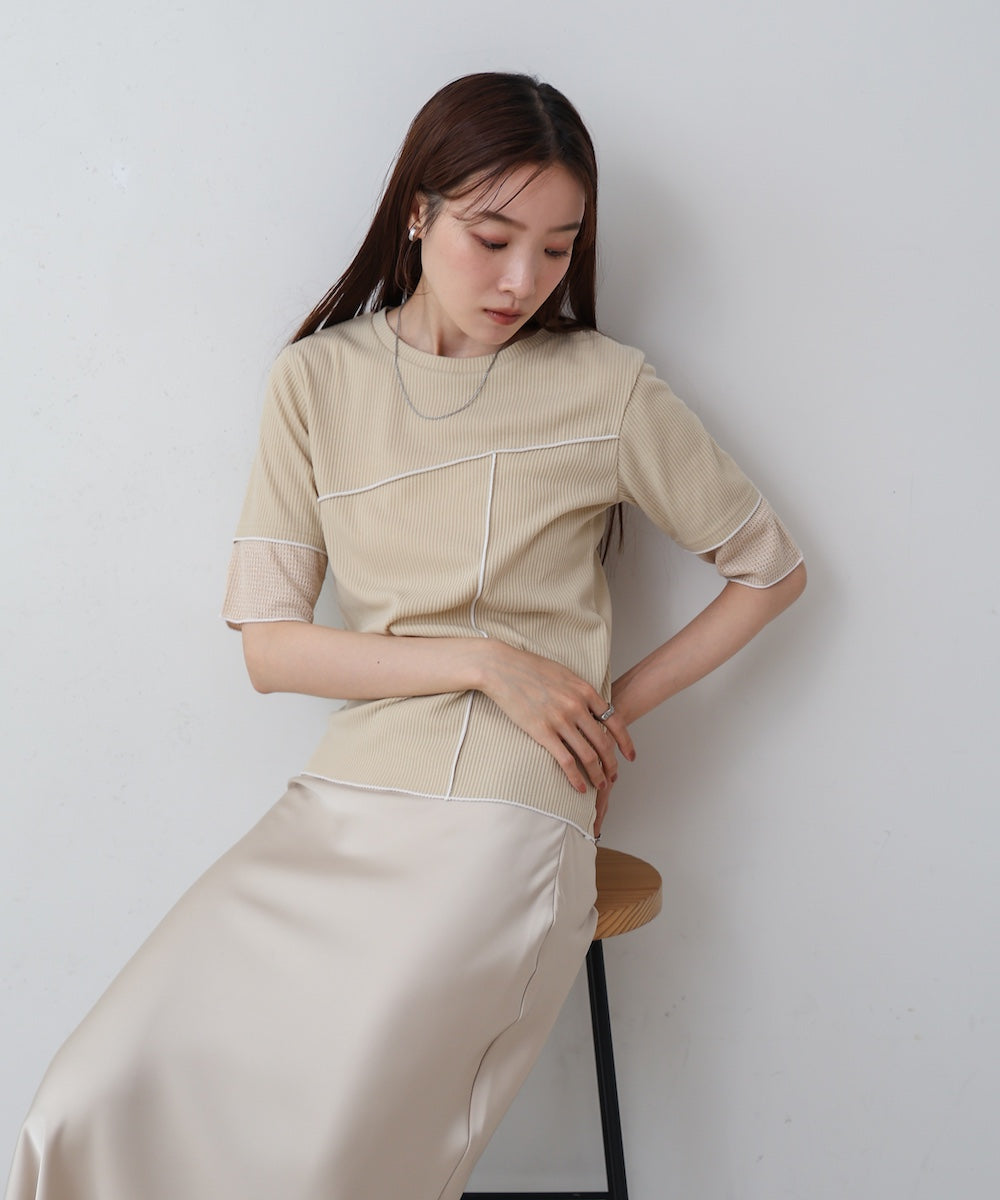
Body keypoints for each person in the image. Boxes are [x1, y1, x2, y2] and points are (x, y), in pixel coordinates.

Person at [4, 72, 805, 1200]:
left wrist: (604, 714)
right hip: (344, 800)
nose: (524, 280)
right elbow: (270, 648)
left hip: (507, 815)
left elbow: (769, 570)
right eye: (494, 238)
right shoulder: (314, 382)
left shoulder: (606, 386)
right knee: (89, 1096)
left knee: (322, 1153)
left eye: (559, 248)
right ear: (419, 212)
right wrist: (486, 661)